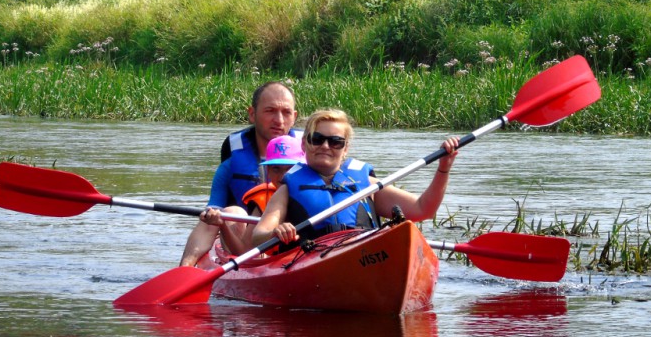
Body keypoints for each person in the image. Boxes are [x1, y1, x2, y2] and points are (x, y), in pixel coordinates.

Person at [252, 108, 460, 247]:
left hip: (363, 252)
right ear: (305, 144)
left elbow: (424, 209)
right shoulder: (287, 189)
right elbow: (257, 236)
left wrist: (444, 168)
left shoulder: (367, 185)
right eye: (317, 139)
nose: (325, 146)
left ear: (345, 149)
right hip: (311, 256)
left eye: (335, 141)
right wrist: (277, 232)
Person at [179, 82, 299, 266]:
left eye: (286, 112)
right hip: (246, 243)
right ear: (252, 114)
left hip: (296, 240)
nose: (279, 120)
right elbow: (210, 216)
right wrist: (216, 219)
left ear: (295, 116)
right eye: (270, 111)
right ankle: (184, 270)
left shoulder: (314, 158)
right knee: (228, 212)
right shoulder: (230, 166)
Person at [199, 134, 305, 255]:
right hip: (273, 261)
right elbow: (243, 252)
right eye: (276, 169)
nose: (282, 176)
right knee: (232, 211)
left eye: (290, 168)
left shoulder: (316, 191)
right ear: (268, 172)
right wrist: (222, 226)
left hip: (309, 253)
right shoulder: (262, 200)